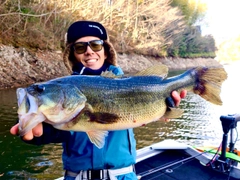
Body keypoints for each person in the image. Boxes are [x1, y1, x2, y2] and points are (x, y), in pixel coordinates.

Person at [10, 20, 187, 180]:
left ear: (106, 50)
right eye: (80, 47)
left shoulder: (131, 84)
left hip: (123, 176)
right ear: (72, 54)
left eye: (96, 45)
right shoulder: (64, 93)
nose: (89, 51)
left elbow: (152, 112)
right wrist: (42, 133)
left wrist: (166, 109)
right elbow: (60, 131)